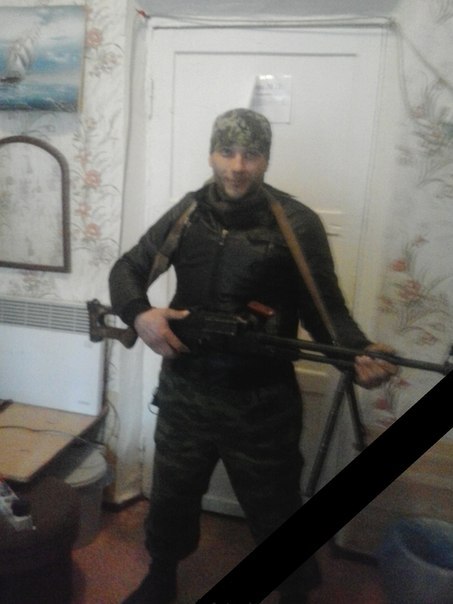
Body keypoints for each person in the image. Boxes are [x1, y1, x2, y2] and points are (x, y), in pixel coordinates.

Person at [109, 108, 397, 604]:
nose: (238, 166)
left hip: (262, 401)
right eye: (227, 152)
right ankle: (161, 577)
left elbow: (326, 311)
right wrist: (140, 314)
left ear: (266, 159)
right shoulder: (187, 213)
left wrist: (358, 357)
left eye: (252, 154)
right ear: (211, 153)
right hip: (186, 390)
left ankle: (295, 592)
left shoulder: (296, 223)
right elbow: (127, 269)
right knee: (172, 495)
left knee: (277, 508)